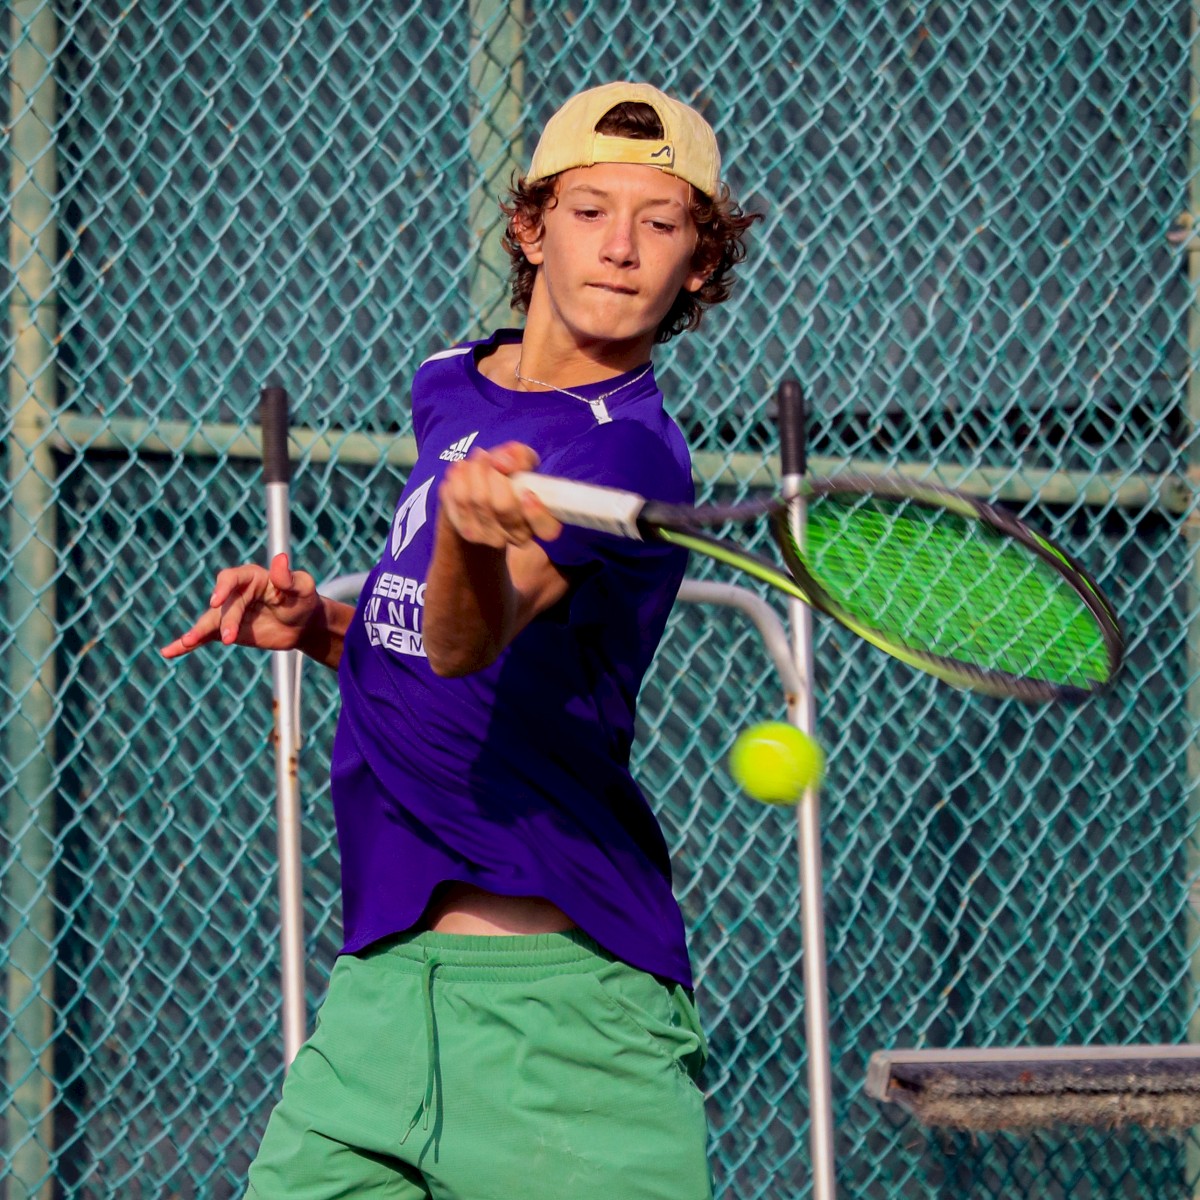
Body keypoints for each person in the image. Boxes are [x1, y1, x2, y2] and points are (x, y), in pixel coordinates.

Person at [163, 81, 758, 1200]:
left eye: (662, 223)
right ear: (532, 229)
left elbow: (465, 642)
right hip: (379, 1010)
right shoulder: (450, 382)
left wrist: (472, 550)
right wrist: (326, 626)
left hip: (565, 1036)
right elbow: (427, 653)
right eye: (589, 210)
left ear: (699, 268)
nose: (621, 248)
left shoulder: (629, 456)